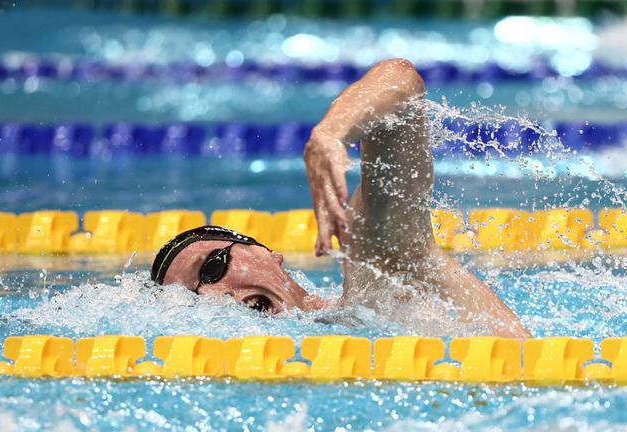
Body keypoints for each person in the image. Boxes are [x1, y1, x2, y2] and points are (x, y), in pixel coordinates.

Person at [151, 59, 530, 338]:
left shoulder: (379, 274)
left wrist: (328, 135)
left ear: (267, 253)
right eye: (194, 300)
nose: (216, 296)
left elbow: (401, 81)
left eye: (213, 267)